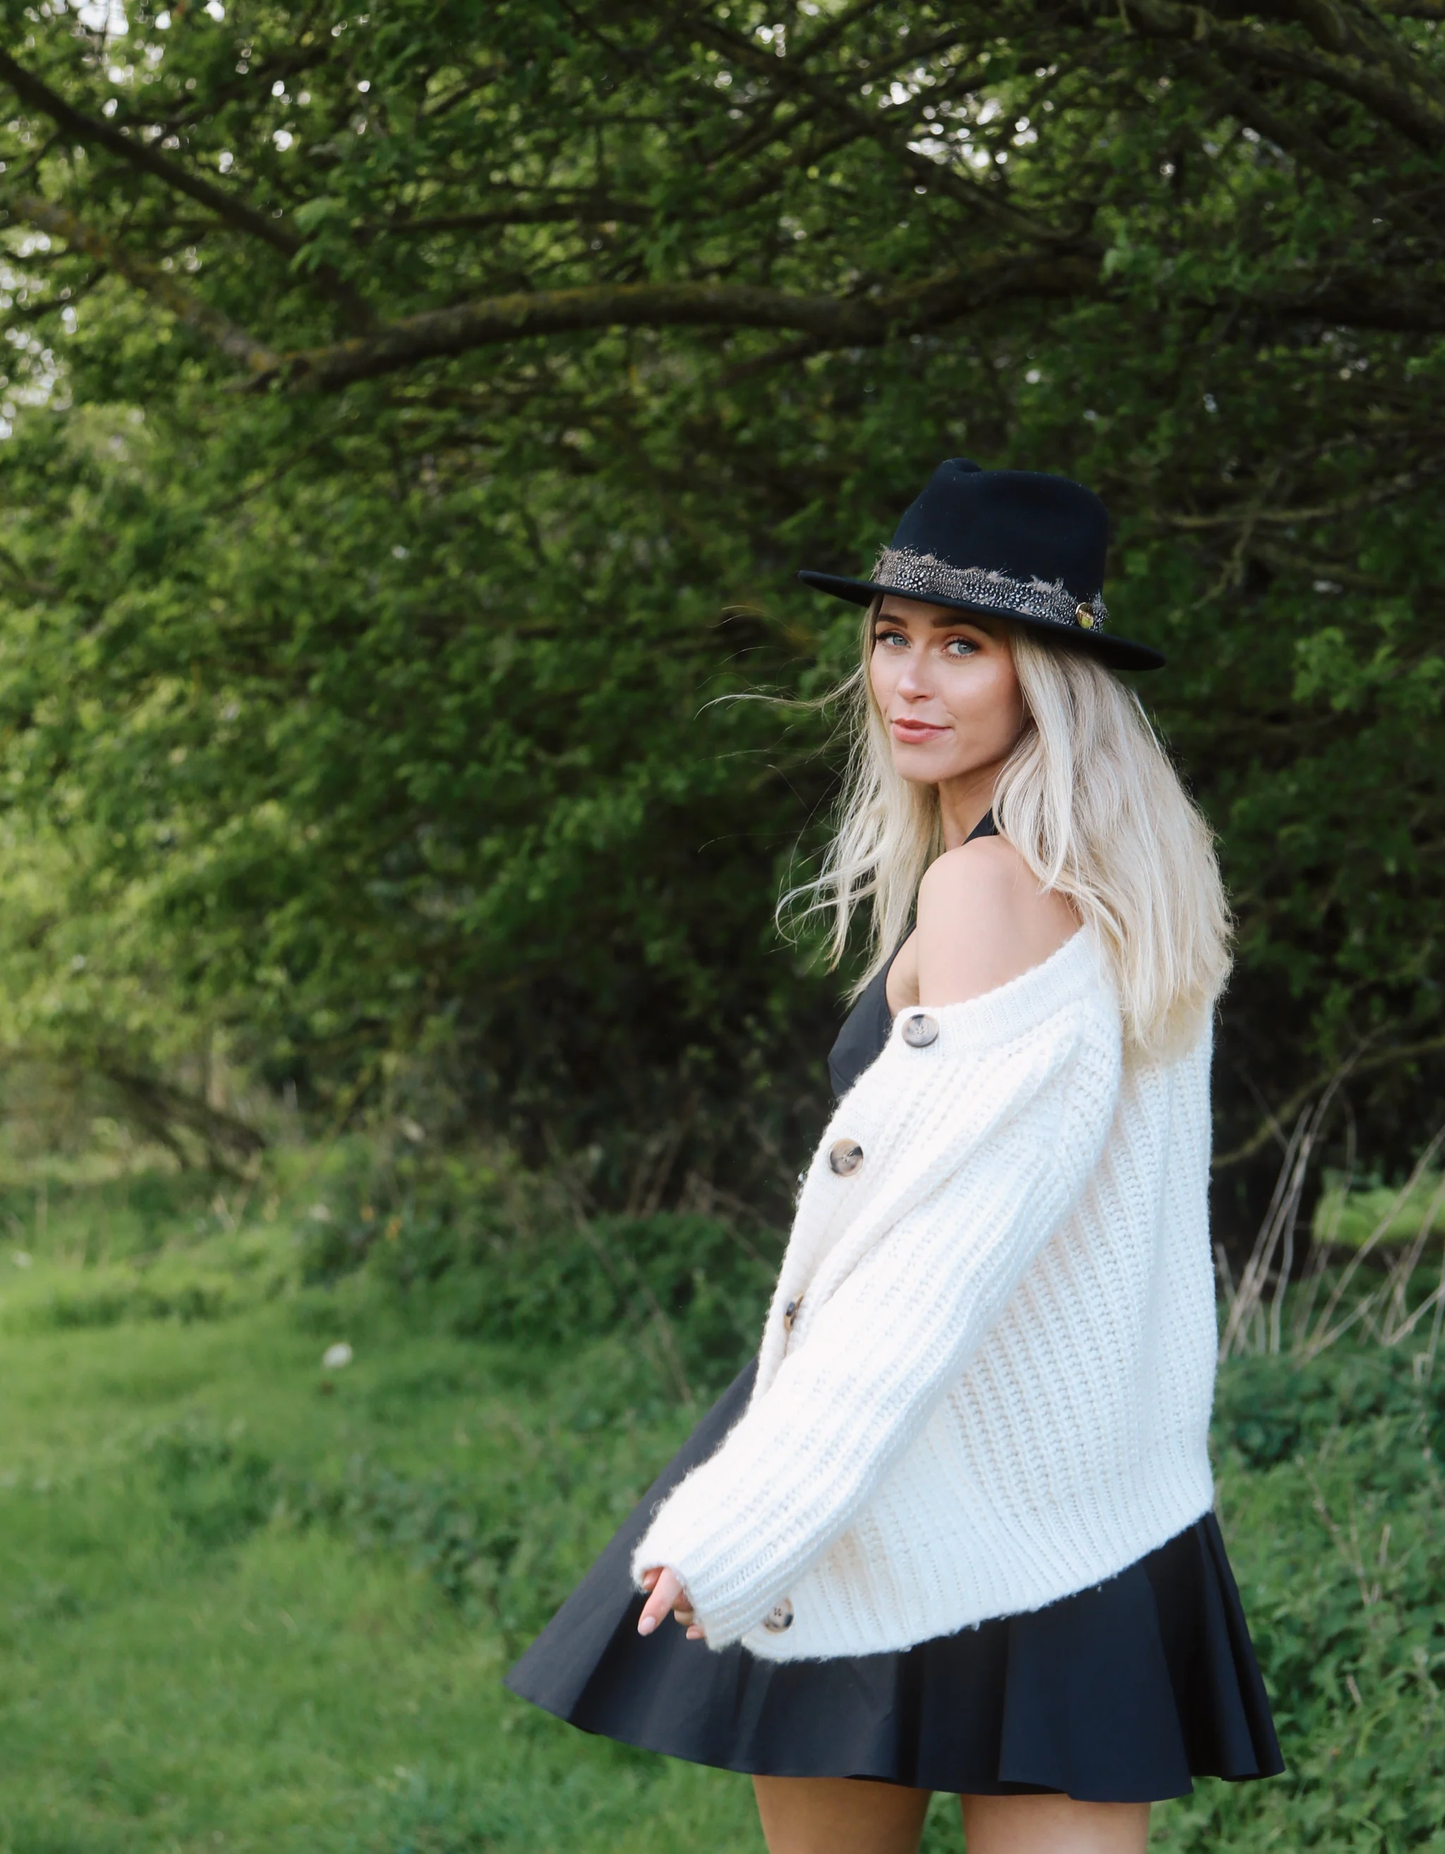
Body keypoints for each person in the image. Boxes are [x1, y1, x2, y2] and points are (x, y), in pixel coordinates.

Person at [506, 459, 1283, 1854]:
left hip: (896, 1473)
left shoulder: (985, 888)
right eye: (890, 635)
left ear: (1050, 677)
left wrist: (758, 1509)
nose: (910, 680)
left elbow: (934, 1256)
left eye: (963, 645)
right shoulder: (1137, 888)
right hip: (1086, 1489)